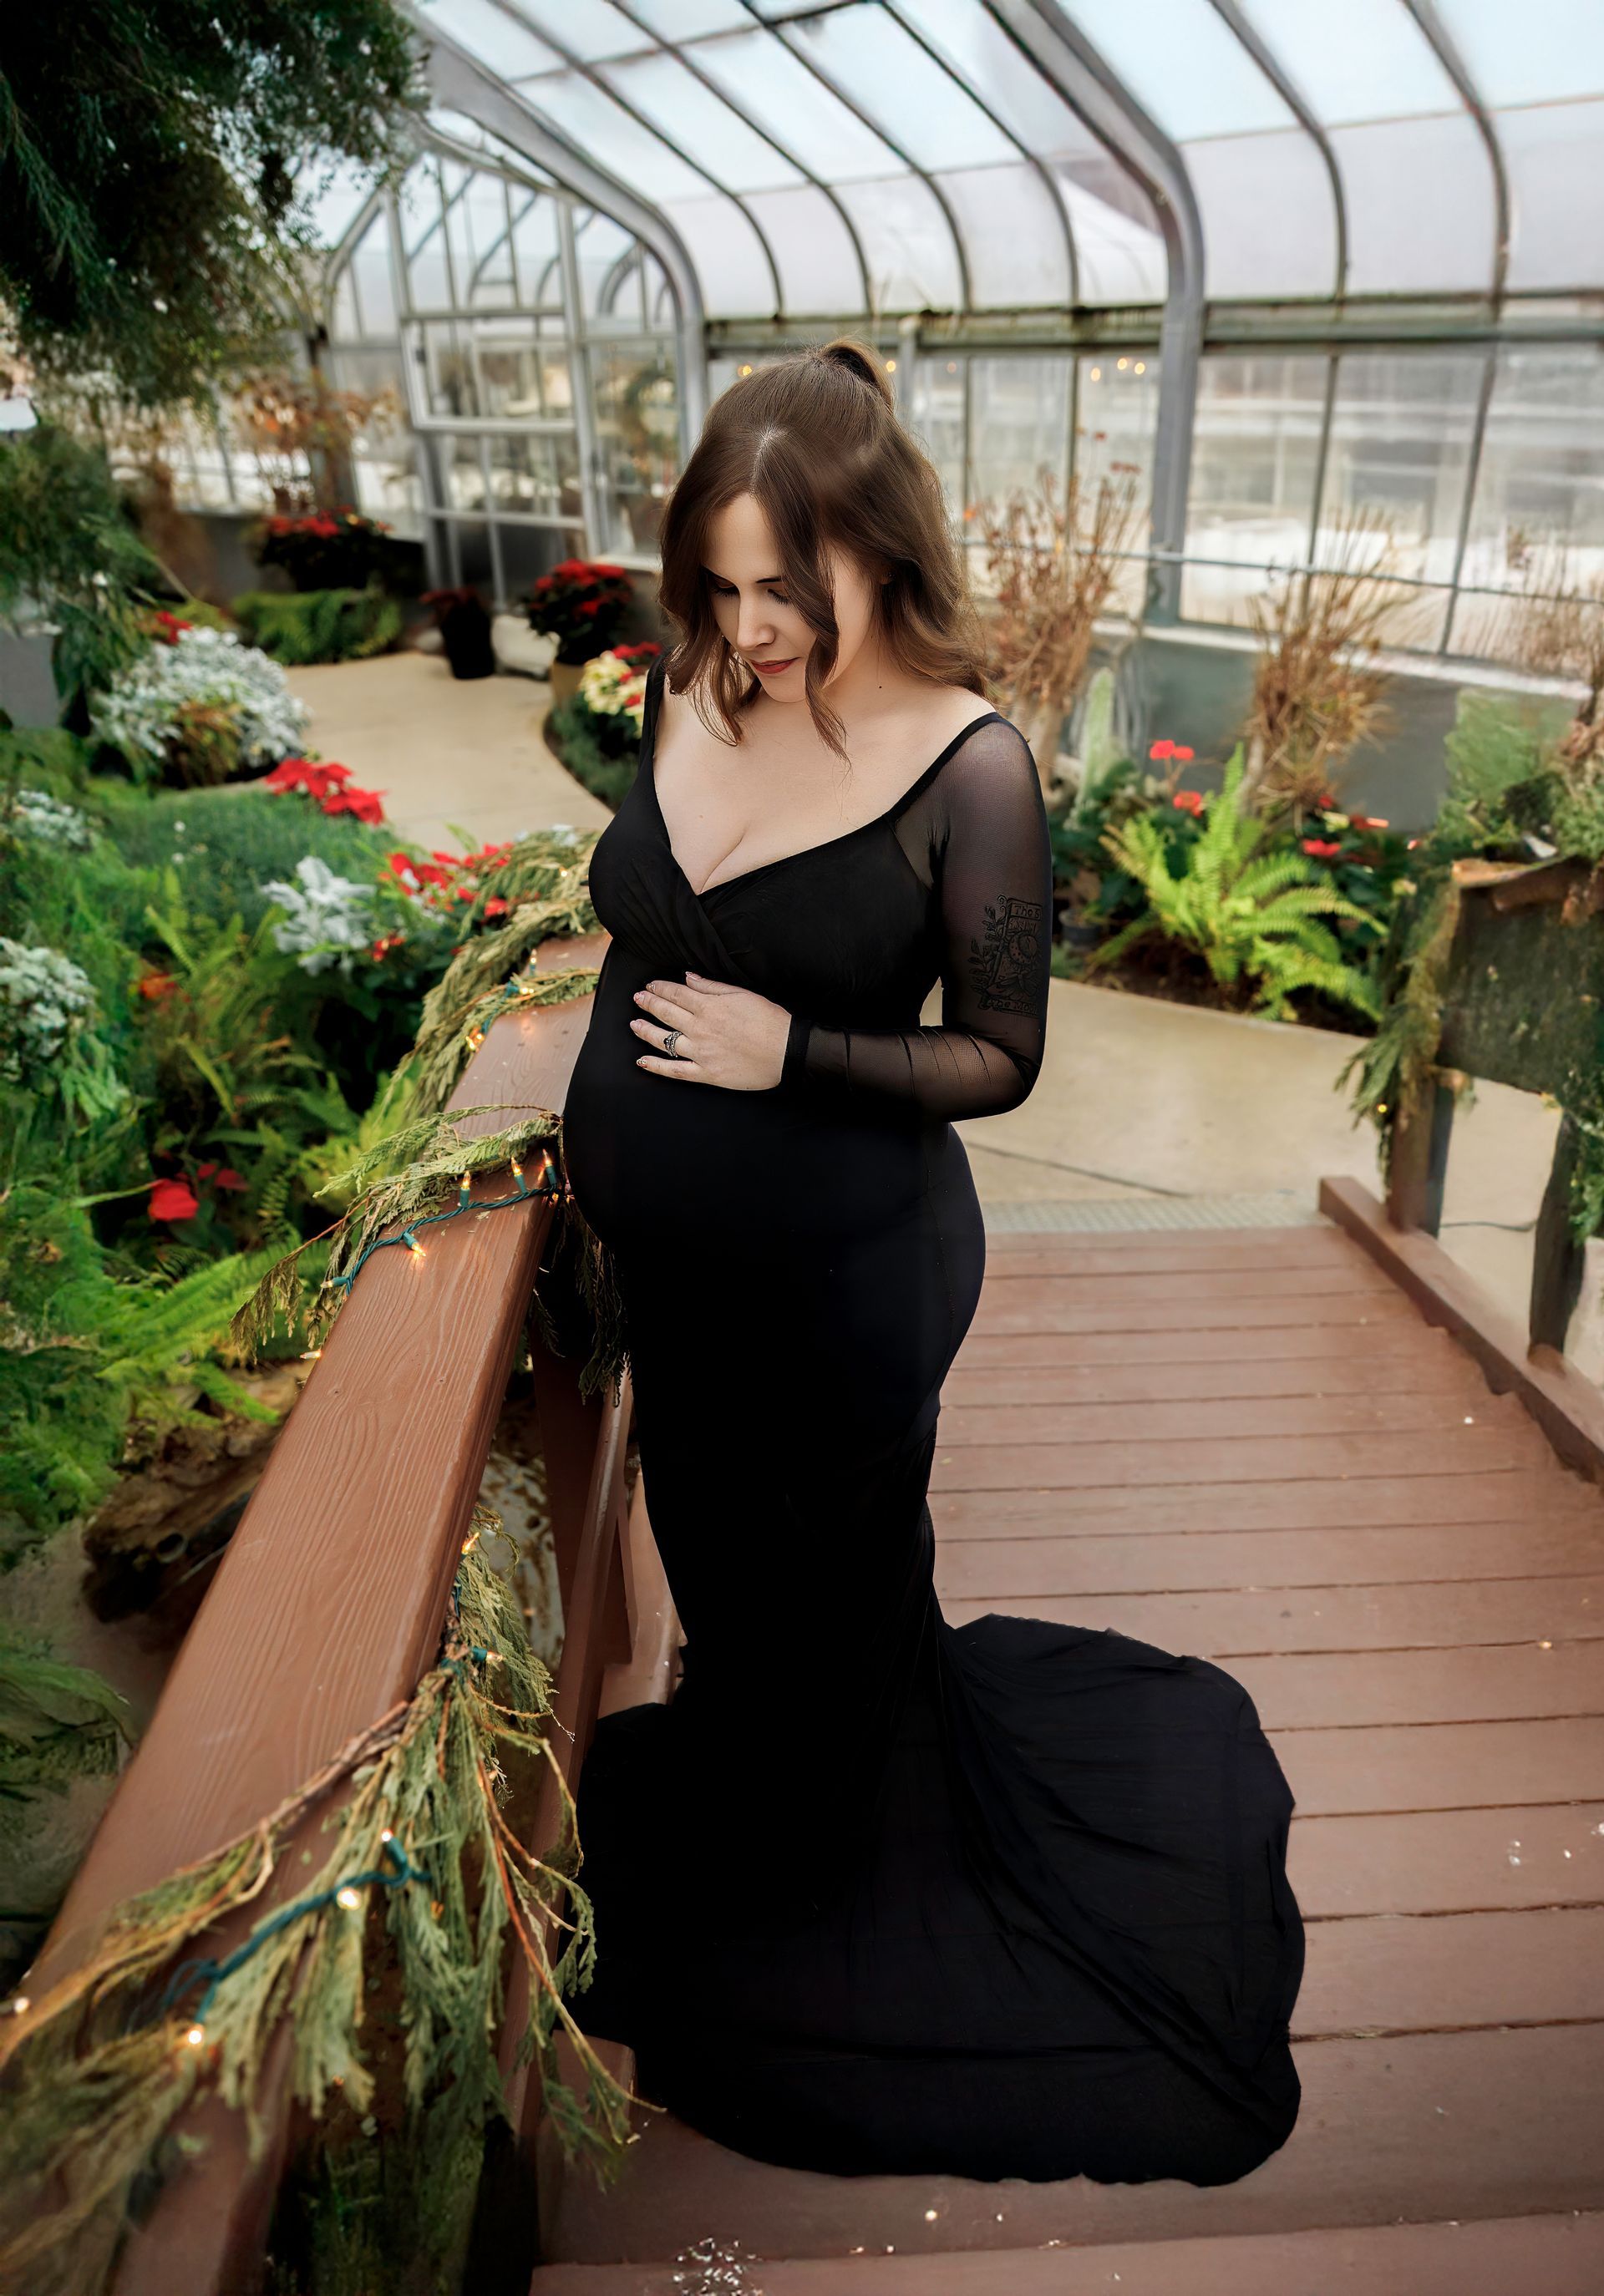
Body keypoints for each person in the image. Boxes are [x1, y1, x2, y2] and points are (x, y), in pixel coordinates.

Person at [558, 338, 1304, 2185]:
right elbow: (638, 930)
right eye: (720, 586)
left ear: (882, 551)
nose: (754, 626)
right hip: (686, 1293)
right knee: (726, 1584)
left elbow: (1002, 1055)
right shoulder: (691, 679)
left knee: (825, 1610)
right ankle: (768, 1809)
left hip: (846, 1291)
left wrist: (783, 1053)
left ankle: (836, 1892)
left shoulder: (970, 768)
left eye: (787, 591)